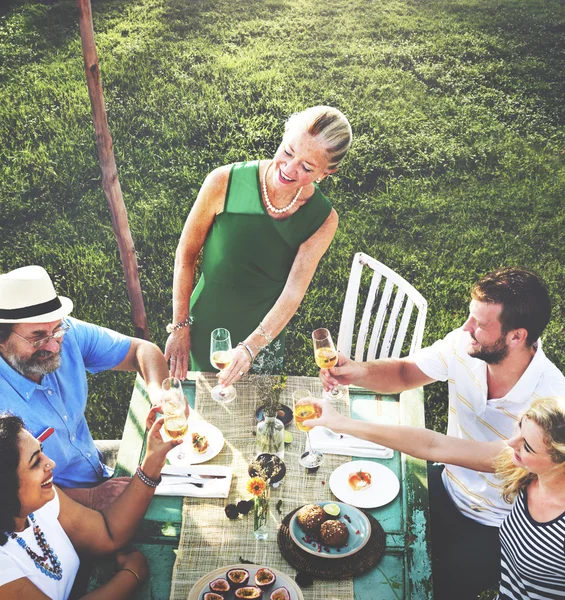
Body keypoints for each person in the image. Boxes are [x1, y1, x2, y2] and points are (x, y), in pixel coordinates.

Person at [319, 267, 565, 599]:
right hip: (446, 484)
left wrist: (344, 424)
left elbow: (436, 445)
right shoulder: (467, 344)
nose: (467, 329)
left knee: (424, 591)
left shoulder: (549, 408)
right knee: (359, 535)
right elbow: (405, 373)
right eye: (470, 316)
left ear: (516, 336)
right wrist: (357, 372)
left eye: (480, 324)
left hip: (495, 525)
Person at [303, 396, 565, 600]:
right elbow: (433, 446)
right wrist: (341, 423)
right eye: (519, 429)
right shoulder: (526, 470)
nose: (510, 443)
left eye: (527, 445)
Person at [165, 106, 353, 383]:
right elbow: (186, 254)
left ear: (326, 172)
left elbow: (292, 293)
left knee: (255, 416)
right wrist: (179, 327)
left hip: (266, 332)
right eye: (288, 152)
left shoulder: (323, 220)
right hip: (205, 322)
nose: (289, 169)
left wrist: (252, 347)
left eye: (307, 167)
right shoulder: (222, 182)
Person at [0, 265, 170, 509]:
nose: (54, 346)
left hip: (98, 467)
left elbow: (143, 351)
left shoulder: (65, 332)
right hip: (54, 509)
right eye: (38, 337)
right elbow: (10, 495)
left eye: (56, 330)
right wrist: (90, 498)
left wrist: (160, 396)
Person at [0, 409, 181, 599]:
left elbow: (107, 534)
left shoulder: (41, 500)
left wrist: (151, 465)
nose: (50, 463)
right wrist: (131, 576)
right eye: (36, 461)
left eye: (42, 452)